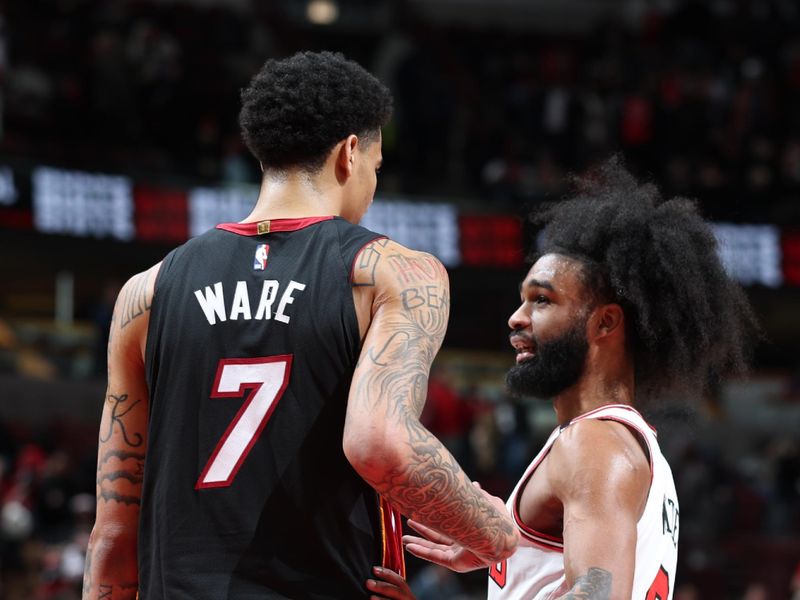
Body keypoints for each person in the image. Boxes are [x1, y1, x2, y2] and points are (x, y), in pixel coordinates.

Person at [82, 51, 517, 600]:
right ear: (350, 153)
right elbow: (382, 442)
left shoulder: (146, 292)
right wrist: (496, 530)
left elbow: (112, 534)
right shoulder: (389, 271)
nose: (372, 185)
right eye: (376, 170)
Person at [373, 158, 757, 600]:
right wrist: (512, 548)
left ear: (605, 324)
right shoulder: (624, 447)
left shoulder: (593, 445)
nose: (516, 318)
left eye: (542, 300)